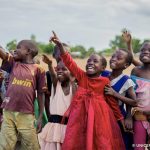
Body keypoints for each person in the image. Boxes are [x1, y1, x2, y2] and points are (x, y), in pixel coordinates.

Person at [50, 31, 125, 150]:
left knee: (99, 142)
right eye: (89, 61)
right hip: (79, 119)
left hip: (99, 119)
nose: (90, 63)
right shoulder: (81, 77)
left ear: (102, 68)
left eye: (95, 61)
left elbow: (112, 102)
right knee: (77, 141)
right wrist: (60, 45)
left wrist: (120, 120)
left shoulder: (104, 81)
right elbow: (69, 62)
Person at [0, 40, 46, 150]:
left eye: (19, 47)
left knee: (31, 145)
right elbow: (3, 55)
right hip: (8, 111)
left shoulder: (39, 69)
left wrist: (40, 116)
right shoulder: (13, 63)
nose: (15, 50)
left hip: (26, 114)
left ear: (28, 51)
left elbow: (40, 93)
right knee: (5, 144)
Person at [38, 54, 77, 150]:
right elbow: (53, 75)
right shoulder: (56, 85)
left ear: (71, 72)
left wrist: (73, 81)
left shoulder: (74, 86)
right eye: (58, 69)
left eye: (64, 69)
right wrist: (50, 65)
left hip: (67, 128)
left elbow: (76, 101)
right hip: (53, 128)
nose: (60, 71)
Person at [103, 48, 137, 150]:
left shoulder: (127, 80)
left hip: (118, 117)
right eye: (113, 56)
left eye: (118, 58)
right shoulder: (102, 73)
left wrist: (129, 116)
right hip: (101, 114)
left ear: (126, 65)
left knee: (119, 143)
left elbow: (135, 102)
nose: (113, 59)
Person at [130, 42, 150, 150]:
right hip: (139, 117)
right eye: (142, 50)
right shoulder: (136, 71)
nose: (145, 52)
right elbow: (131, 94)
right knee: (139, 146)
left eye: (149, 50)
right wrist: (129, 116)